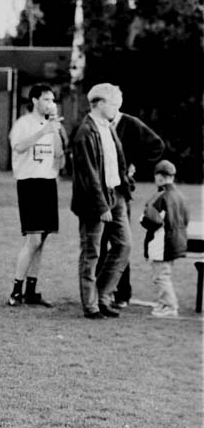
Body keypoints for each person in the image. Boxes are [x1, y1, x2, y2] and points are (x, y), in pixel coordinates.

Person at [96, 90, 165, 308]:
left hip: (120, 193)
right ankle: (101, 290)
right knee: (101, 242)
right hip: (101, 191)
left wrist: (136, 166)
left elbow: (157, 145)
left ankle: (122, 292)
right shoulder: (98, 125)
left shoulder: (130, 124)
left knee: (120, 242)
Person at [71, 83, 131, 320]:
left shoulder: (108, 128)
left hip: (116, 196)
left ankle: (103, 295)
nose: (118, 109)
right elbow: (88, 174)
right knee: (91, 251)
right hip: (95, 200)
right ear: (100, 103)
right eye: (115, 104)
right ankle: (91, 305)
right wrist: (101, 205)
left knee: (124, 245)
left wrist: (126, 184)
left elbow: (117, 161)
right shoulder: (85, 132)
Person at [7, 84, 65, 308]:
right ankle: (15, 290)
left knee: (42, 241)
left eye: (52, 99)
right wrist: (43, 131)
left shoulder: (52, 125)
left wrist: (56, 130)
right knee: (33, 240)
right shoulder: (23, 124)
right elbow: (19, 147)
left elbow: (59, 154)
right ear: (34, 100)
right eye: (46, 99)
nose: (50, 103)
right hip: (29, 182)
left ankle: (31, 290)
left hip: (48, 182)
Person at [140, 160, 189, 318]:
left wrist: (142, 218)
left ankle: (170, 306)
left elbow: (150, 220)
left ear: (160, 177)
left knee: (161, 275)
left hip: (162, 241)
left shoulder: (160, 197)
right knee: (164, 273)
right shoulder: (181, 196)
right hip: (177, 240)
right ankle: (163, 303)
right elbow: (186, 219)